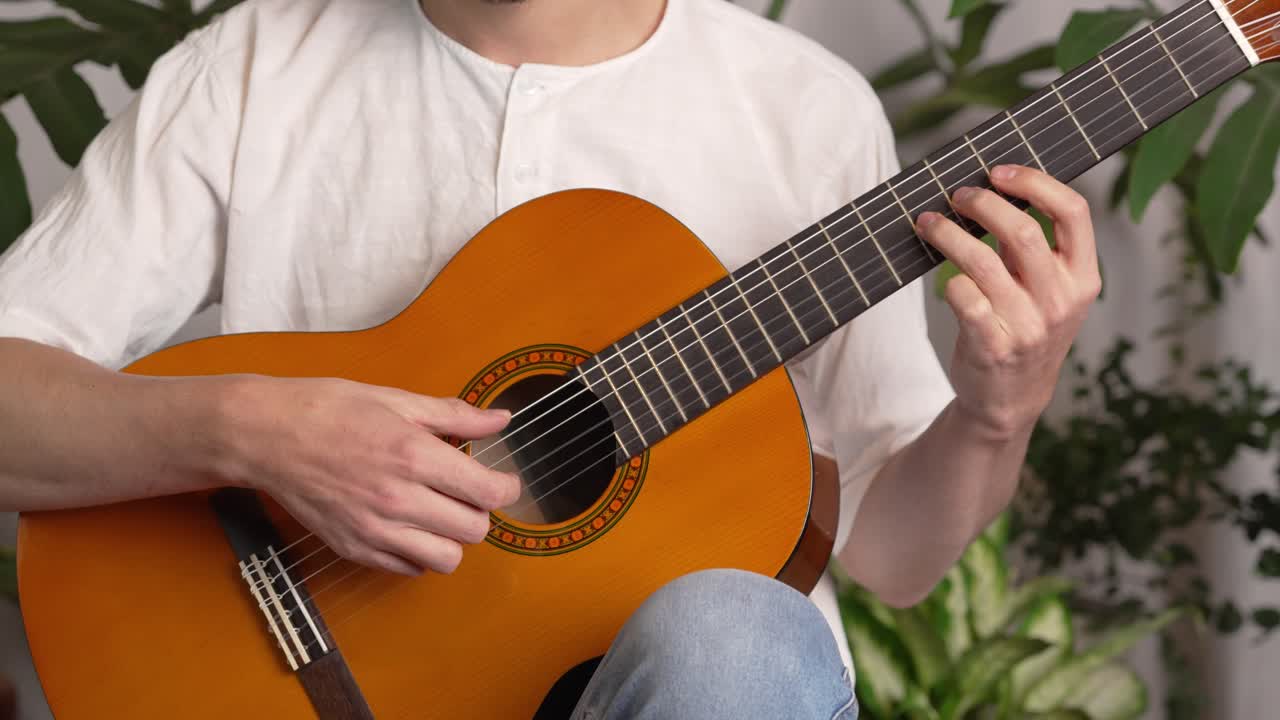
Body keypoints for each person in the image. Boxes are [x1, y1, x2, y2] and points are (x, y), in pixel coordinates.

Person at [0, 0, 1101, 717]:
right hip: (316, 680)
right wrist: (253, 431)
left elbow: (886, 559)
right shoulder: (252, 69)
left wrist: (996, 412)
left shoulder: (801, 111)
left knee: (735, 634)